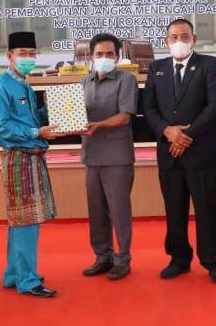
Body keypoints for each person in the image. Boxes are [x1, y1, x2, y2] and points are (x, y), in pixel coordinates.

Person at [143, 18, 216, 284]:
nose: (179, 41)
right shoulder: (156, 68)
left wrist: (186, 135)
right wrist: (167, 131)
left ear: (194, 39)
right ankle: (179, 259)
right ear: (166, 41)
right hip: (169, 153)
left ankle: (213, 261)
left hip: (201, 151)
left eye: (184, 36)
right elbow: (149, 109)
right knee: (174, 209)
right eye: (174, 37)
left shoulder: (210, 65)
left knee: (208, 209)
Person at [0, 31, 61, 297]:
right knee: (26, 220)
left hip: (32, 157)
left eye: (32, 53)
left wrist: (53, 108)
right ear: (9, 56)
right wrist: (37, 132)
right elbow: (1, 127)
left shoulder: (25, 85)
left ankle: (14, 274)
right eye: (22, 54)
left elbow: (30, 119)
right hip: (18, 157)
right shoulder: (0, 86)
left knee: (24, 220)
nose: (28, 58)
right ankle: (27, 280)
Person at [80, 33, 138, 280]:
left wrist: (98, 125)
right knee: (96, 211)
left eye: (109, 54)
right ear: (91, 56)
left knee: (119, 211)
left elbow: (125, 116)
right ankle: (102, 257)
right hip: (91, 155)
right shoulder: (85, 80)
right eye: (99, 54)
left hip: (117, 156)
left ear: (117, 56)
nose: (104, 58)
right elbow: (78, 113)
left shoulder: (126, 79)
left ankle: (122, 259)